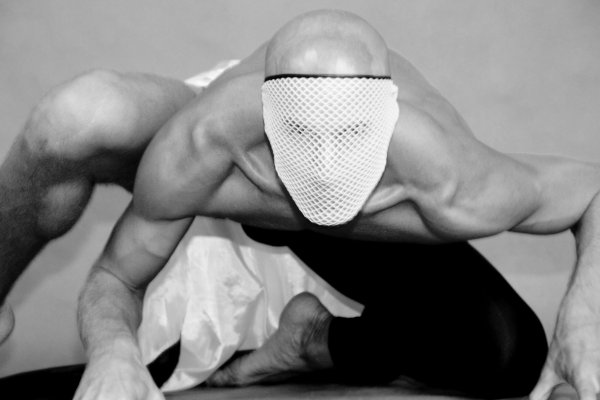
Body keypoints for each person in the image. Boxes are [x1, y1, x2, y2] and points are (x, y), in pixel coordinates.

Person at [0, 8, 598, 400]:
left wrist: (584, 318)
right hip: (250, 179)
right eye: (304, 135)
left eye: (349, 136)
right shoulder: (208, 146)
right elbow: (116, 277)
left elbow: (593, 191)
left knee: (511, 355)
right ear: (267, 116)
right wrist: (113, 351)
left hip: (358, 214)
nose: (327, 166)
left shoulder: (449, 178)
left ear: (386, 119)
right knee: (75, 118)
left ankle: (314, 340)